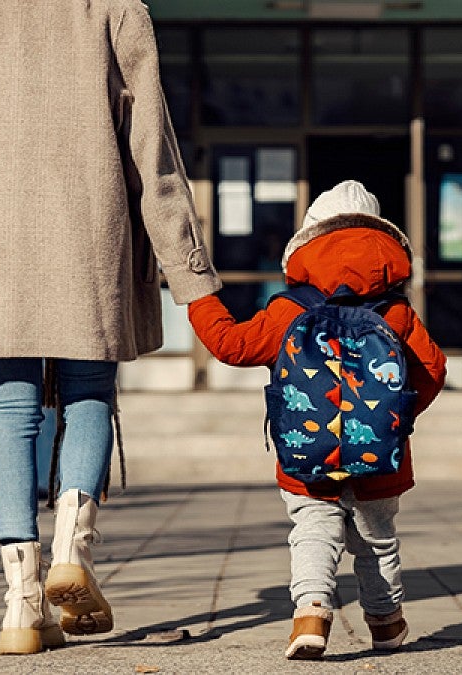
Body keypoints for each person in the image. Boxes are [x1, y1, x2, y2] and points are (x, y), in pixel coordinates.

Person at [0, 0, 221, 656]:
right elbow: (151, 150)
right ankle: (72, 550)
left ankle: (20, 602)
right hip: (84, 228)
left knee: (10, 408)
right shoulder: (113, 8)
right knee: (89, 391)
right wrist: (189, 270)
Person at [188, 180, 447, 659]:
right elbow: (433, 369)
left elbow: (231, 346)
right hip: (381, 456)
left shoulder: (289, 309)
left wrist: (197, 297)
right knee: (377, 540)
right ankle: (387, 625)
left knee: (313, 530)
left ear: (307, 247)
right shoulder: (397, 312)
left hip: (305, 451)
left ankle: (309, 616)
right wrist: (397, 420)